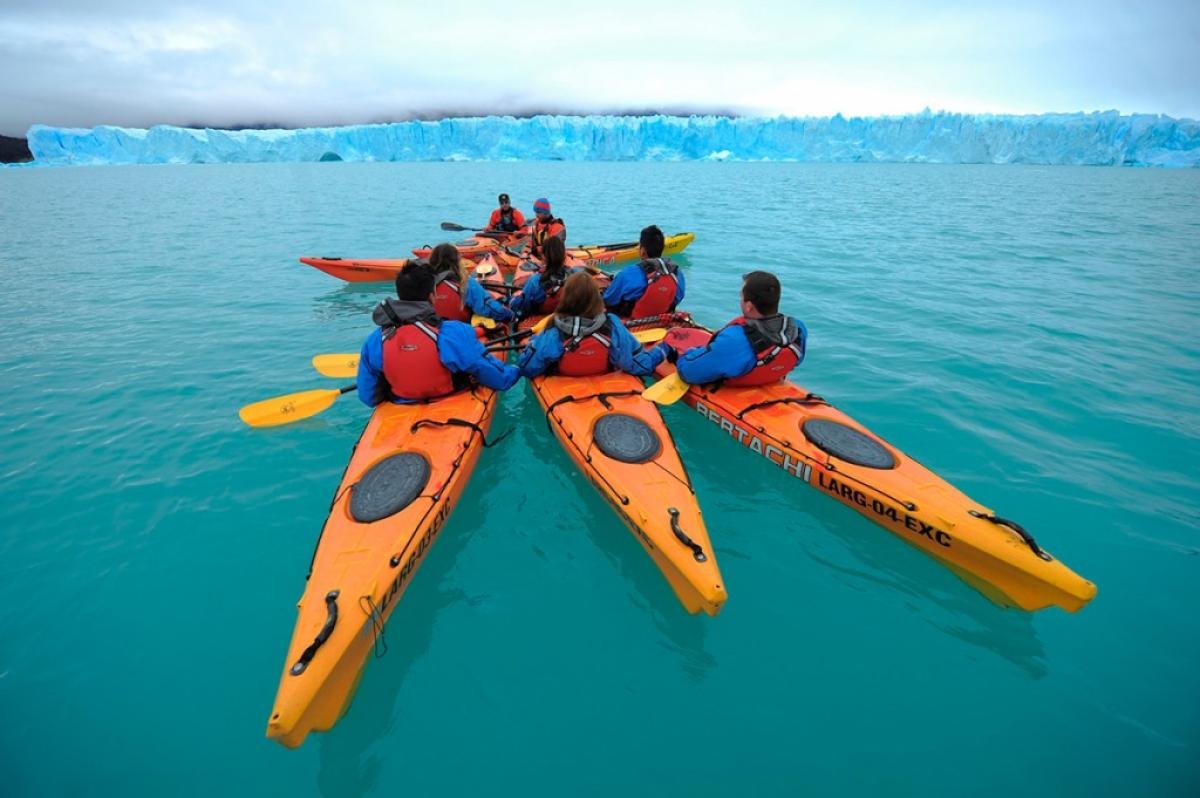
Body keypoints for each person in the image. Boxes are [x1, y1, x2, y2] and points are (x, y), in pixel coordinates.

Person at [356, 261, 520, 406]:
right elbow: (494, 377)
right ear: (431, 296)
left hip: (401, 403)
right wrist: (516, 370)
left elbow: (368, 398)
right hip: (451, 397)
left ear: (400, 295)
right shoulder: (452, 332)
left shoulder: (375, 340)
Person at [656, 270, 807, 386]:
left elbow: (688, 372)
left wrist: (685, 354)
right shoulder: (798, 329)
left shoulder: (735, 339)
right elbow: (796, 361)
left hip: (736, 380)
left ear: (749, 307)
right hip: (768, 375)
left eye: (741, 296)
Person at [518, 272, 667, 378]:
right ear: (596, 298)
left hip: (563, 381)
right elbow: (639, 365)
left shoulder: (553, 330)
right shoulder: (612, 324)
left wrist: (532, 344)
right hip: (603, 376)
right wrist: (663, 349)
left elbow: (528, 369)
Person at [602, 225, 685, 317]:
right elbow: (679, 298)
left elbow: (609, 300)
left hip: (631, 322)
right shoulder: (677, 273)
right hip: (661, 319)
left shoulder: (627, 273)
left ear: (642, 251)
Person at [426, 243, 514, 323]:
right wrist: (509, 315)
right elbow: (486, 308)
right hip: (462, 330)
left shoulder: (423, 284)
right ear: (457, 261)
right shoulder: (465, 283)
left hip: (432, 331)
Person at [508, 237, 582, 319]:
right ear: (564, 255)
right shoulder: (575, 275)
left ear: (543, 256)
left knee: (514, 299)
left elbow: (523, 307)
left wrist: (513, 299)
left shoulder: (535, 280)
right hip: (565, 314)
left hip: (542, 316)